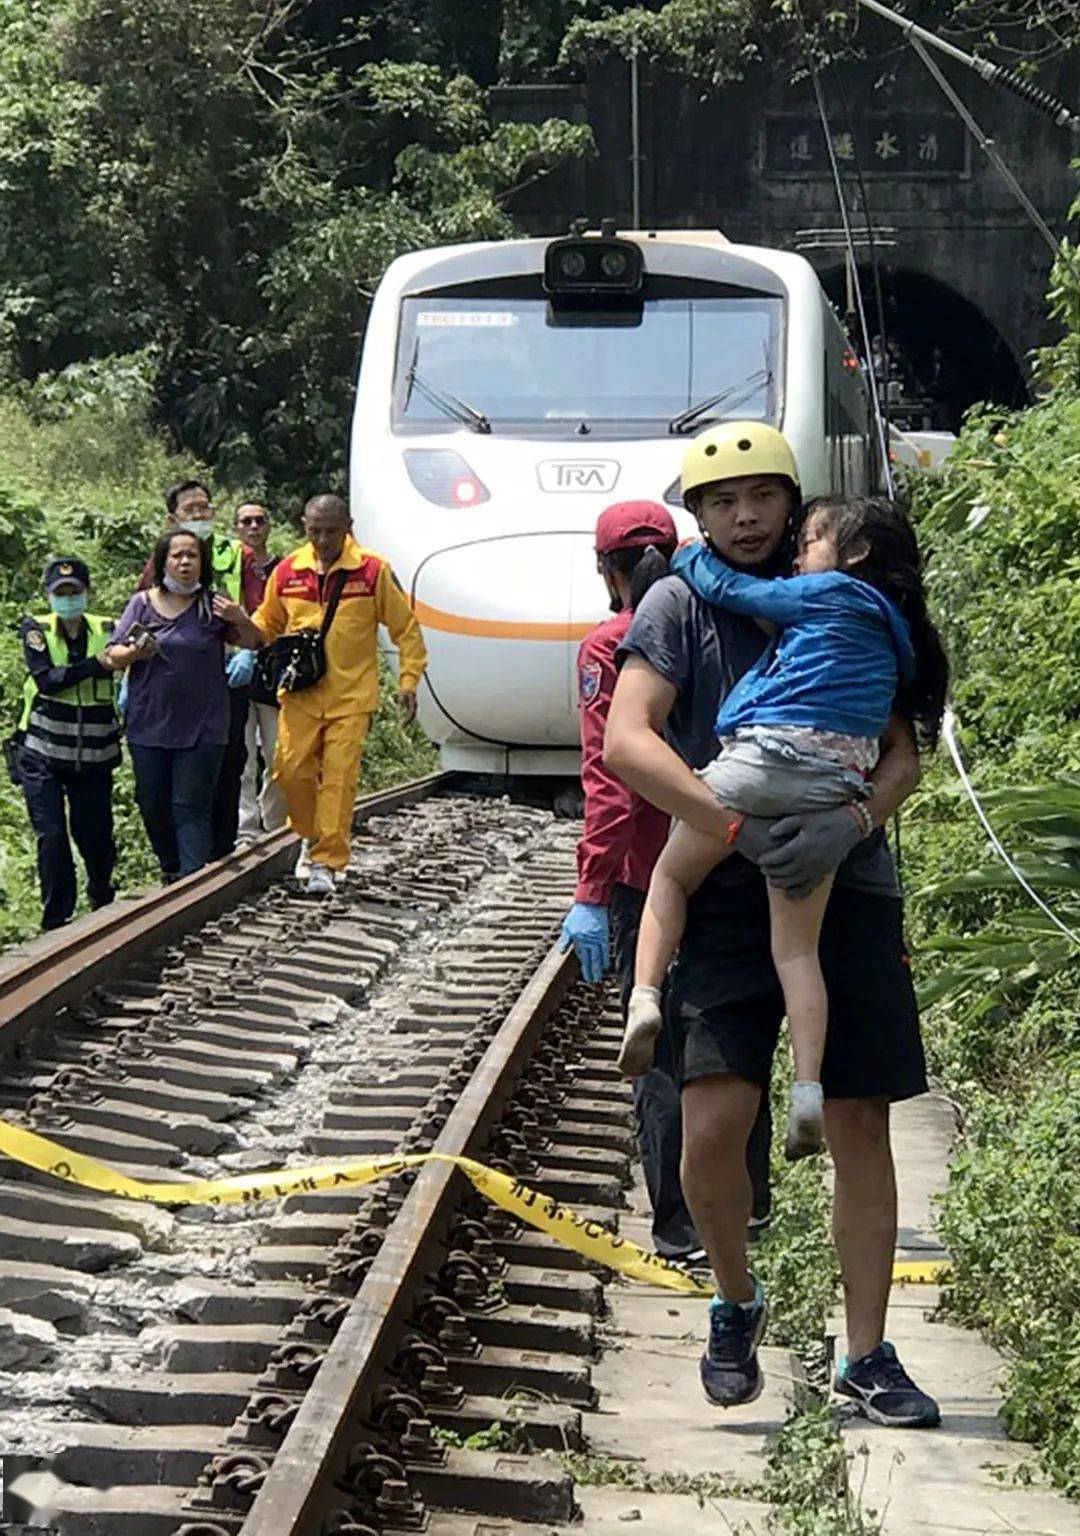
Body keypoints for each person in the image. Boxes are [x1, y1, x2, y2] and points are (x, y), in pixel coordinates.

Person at [604, 420, 941, 1427]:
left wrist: (849, 824)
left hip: (847, 880)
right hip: (726, 887)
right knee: (711, 1123)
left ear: (792, 506)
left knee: (859, 1118)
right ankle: (734, 1300)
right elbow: (629, 737)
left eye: (760, 498)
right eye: (720, 502)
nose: (742, 516)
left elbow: (902, 755)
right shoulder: (676, 604)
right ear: (697, 515)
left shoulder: (850, 598)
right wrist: (734, 826)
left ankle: (869, 1352)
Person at [626, 494, 948, 1165]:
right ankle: (806, 1091)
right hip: (832, 790)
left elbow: (733, 589)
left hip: (763, 762)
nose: (797, 549)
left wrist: (687, 558)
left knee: (672, 874)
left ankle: (645, 997)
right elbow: (899, 725)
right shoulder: (894, 627)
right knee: (797, 953)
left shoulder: (822, 592)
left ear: (851, 553)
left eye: (810, 535)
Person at [559, 500, 705, 1261]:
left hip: (644, 878)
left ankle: (678, 1225)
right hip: (721, 859)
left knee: (656, 1047)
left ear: (603, 567)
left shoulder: (610, 646)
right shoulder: (709, 626)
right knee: (722, 1037)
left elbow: (608, 780)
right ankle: (742, 1207)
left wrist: (590, 890)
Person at [223, 494, 428, 895]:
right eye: (315, 531)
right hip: (300, 693)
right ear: (303, 525)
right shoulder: (288, 571)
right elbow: (267, 625)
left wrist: (408, 681)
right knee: (288, 771)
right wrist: (239, 623)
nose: (322, 540)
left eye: (331, 531)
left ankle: (326, 859)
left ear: (347, 527)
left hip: (352, 696)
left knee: (338, 777)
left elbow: (406, 629)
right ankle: (309, 833)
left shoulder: (371, 571)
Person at [112, 530, 251, 880]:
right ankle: (171, 869)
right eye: (177, 556)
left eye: (192, 555)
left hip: (203, 725)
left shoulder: (213, 605)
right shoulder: (141, 604)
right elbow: (112, 654)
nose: (185, 562)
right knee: (153, 803)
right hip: (149, 722)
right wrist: (132, 653)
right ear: (163, 562)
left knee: (190, 805)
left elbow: (257, 640)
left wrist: (239, 618)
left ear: (202, 563)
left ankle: (192, 881)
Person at [138, 479, 264, 859]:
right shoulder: (162, 560)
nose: (199, 515)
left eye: (204, 507)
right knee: (171, 782)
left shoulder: (236, 554)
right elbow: (141, 611)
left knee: (227, 768)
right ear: (172, 518)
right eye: (190, 509)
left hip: (229, 674)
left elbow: (262, 606)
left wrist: (248, 649)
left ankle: (217, 857)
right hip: (176, 685)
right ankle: (181, 863)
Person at [16, 559, 131, 930]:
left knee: (95, 835)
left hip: (95, 754)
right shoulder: (37, 629)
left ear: (88, 592)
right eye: (61, 593)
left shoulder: (108, 628)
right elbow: (47, 679)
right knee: (51, 837)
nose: (68, 599)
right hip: (43, 751)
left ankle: (102, 899)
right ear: (48, 596)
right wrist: (99, 664)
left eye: (75, 592)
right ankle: (56, 921)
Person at [230, 502, 286, 841]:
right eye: (246, 521)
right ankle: (245, 828)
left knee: (279, 753)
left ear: (269, 526)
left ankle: (275, 822)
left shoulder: (284, 569)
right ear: (236, 528)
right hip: (234, 669)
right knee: (242, 753)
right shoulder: (225, 568)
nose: (253, 527)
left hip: (274, 669)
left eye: (259, 520)